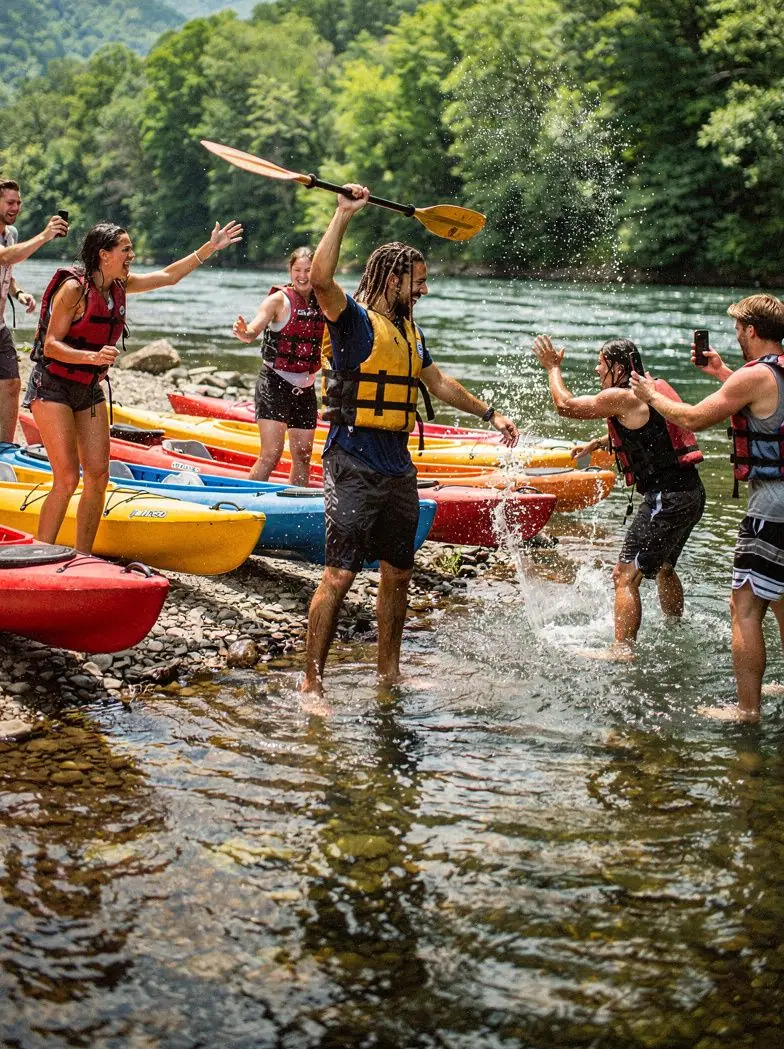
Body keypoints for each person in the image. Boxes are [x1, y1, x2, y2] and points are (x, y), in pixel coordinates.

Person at [301, 184, 518, 700]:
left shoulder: (411, 332)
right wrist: (342, 214)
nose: (423, 291)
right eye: (417, 283)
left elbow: (438, 382)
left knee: (399, 570)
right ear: (393, 277)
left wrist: (490, 413)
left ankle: (388, 673)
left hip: (397, 463)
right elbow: (320, 278)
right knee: (339, 574)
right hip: (352, 458)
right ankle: (311, 681)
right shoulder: (352, 321)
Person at [27, 217, 243, 553]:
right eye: (125, 249)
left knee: (98, 477)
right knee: (68, 478)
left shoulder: (120, 286)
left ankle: (82, 555)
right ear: (104, 254)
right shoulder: (74, 290)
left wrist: (209, 248)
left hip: (89, 388)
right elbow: (52, 345)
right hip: (52, 386)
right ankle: (38, 551)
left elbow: (169, 277)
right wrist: (93, 358)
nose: (132, 254)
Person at [632, 295, 784, 723]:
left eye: (739, 328)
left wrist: (650, 394)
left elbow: (695, 418)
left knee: (745, 605)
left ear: (751, 330)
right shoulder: (775, 371)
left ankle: (746, 711)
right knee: (782, 599)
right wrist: (719, 371)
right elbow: (767, 399)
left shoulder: (753, 376)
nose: (736, 335)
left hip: (772, 507)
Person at [533, 334, 705, 659]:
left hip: (664, 499)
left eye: (601, 363)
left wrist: (553, 368)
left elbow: (565, 405)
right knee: (665, 567)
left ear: (617, 366)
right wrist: (596, 445)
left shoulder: (621, 396)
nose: (597, 370)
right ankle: (677, 627)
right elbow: (649, 435)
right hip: (691, 493)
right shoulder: (650, 389)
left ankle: (622, 649)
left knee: (624, 577)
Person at [0, 176, 68, 442]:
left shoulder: (10, 234)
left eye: (18, 203)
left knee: (11, 385)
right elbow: (4, 256)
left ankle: (5, 446)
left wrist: (19, 292)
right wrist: (45, 236)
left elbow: (6, 271)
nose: (16, 208)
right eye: (10, 202)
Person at [232, 246, 322, 484]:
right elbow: (253, 331)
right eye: (297, 270)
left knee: (303, 456)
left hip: (306, 387)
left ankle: (296, 504)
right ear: (290, 271)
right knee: (271, 454)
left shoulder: (325, 300)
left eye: (308, 270)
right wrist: (245, 333)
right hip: (274, 383)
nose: (302, 276)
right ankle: (248, 502)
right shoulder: (278, 300)